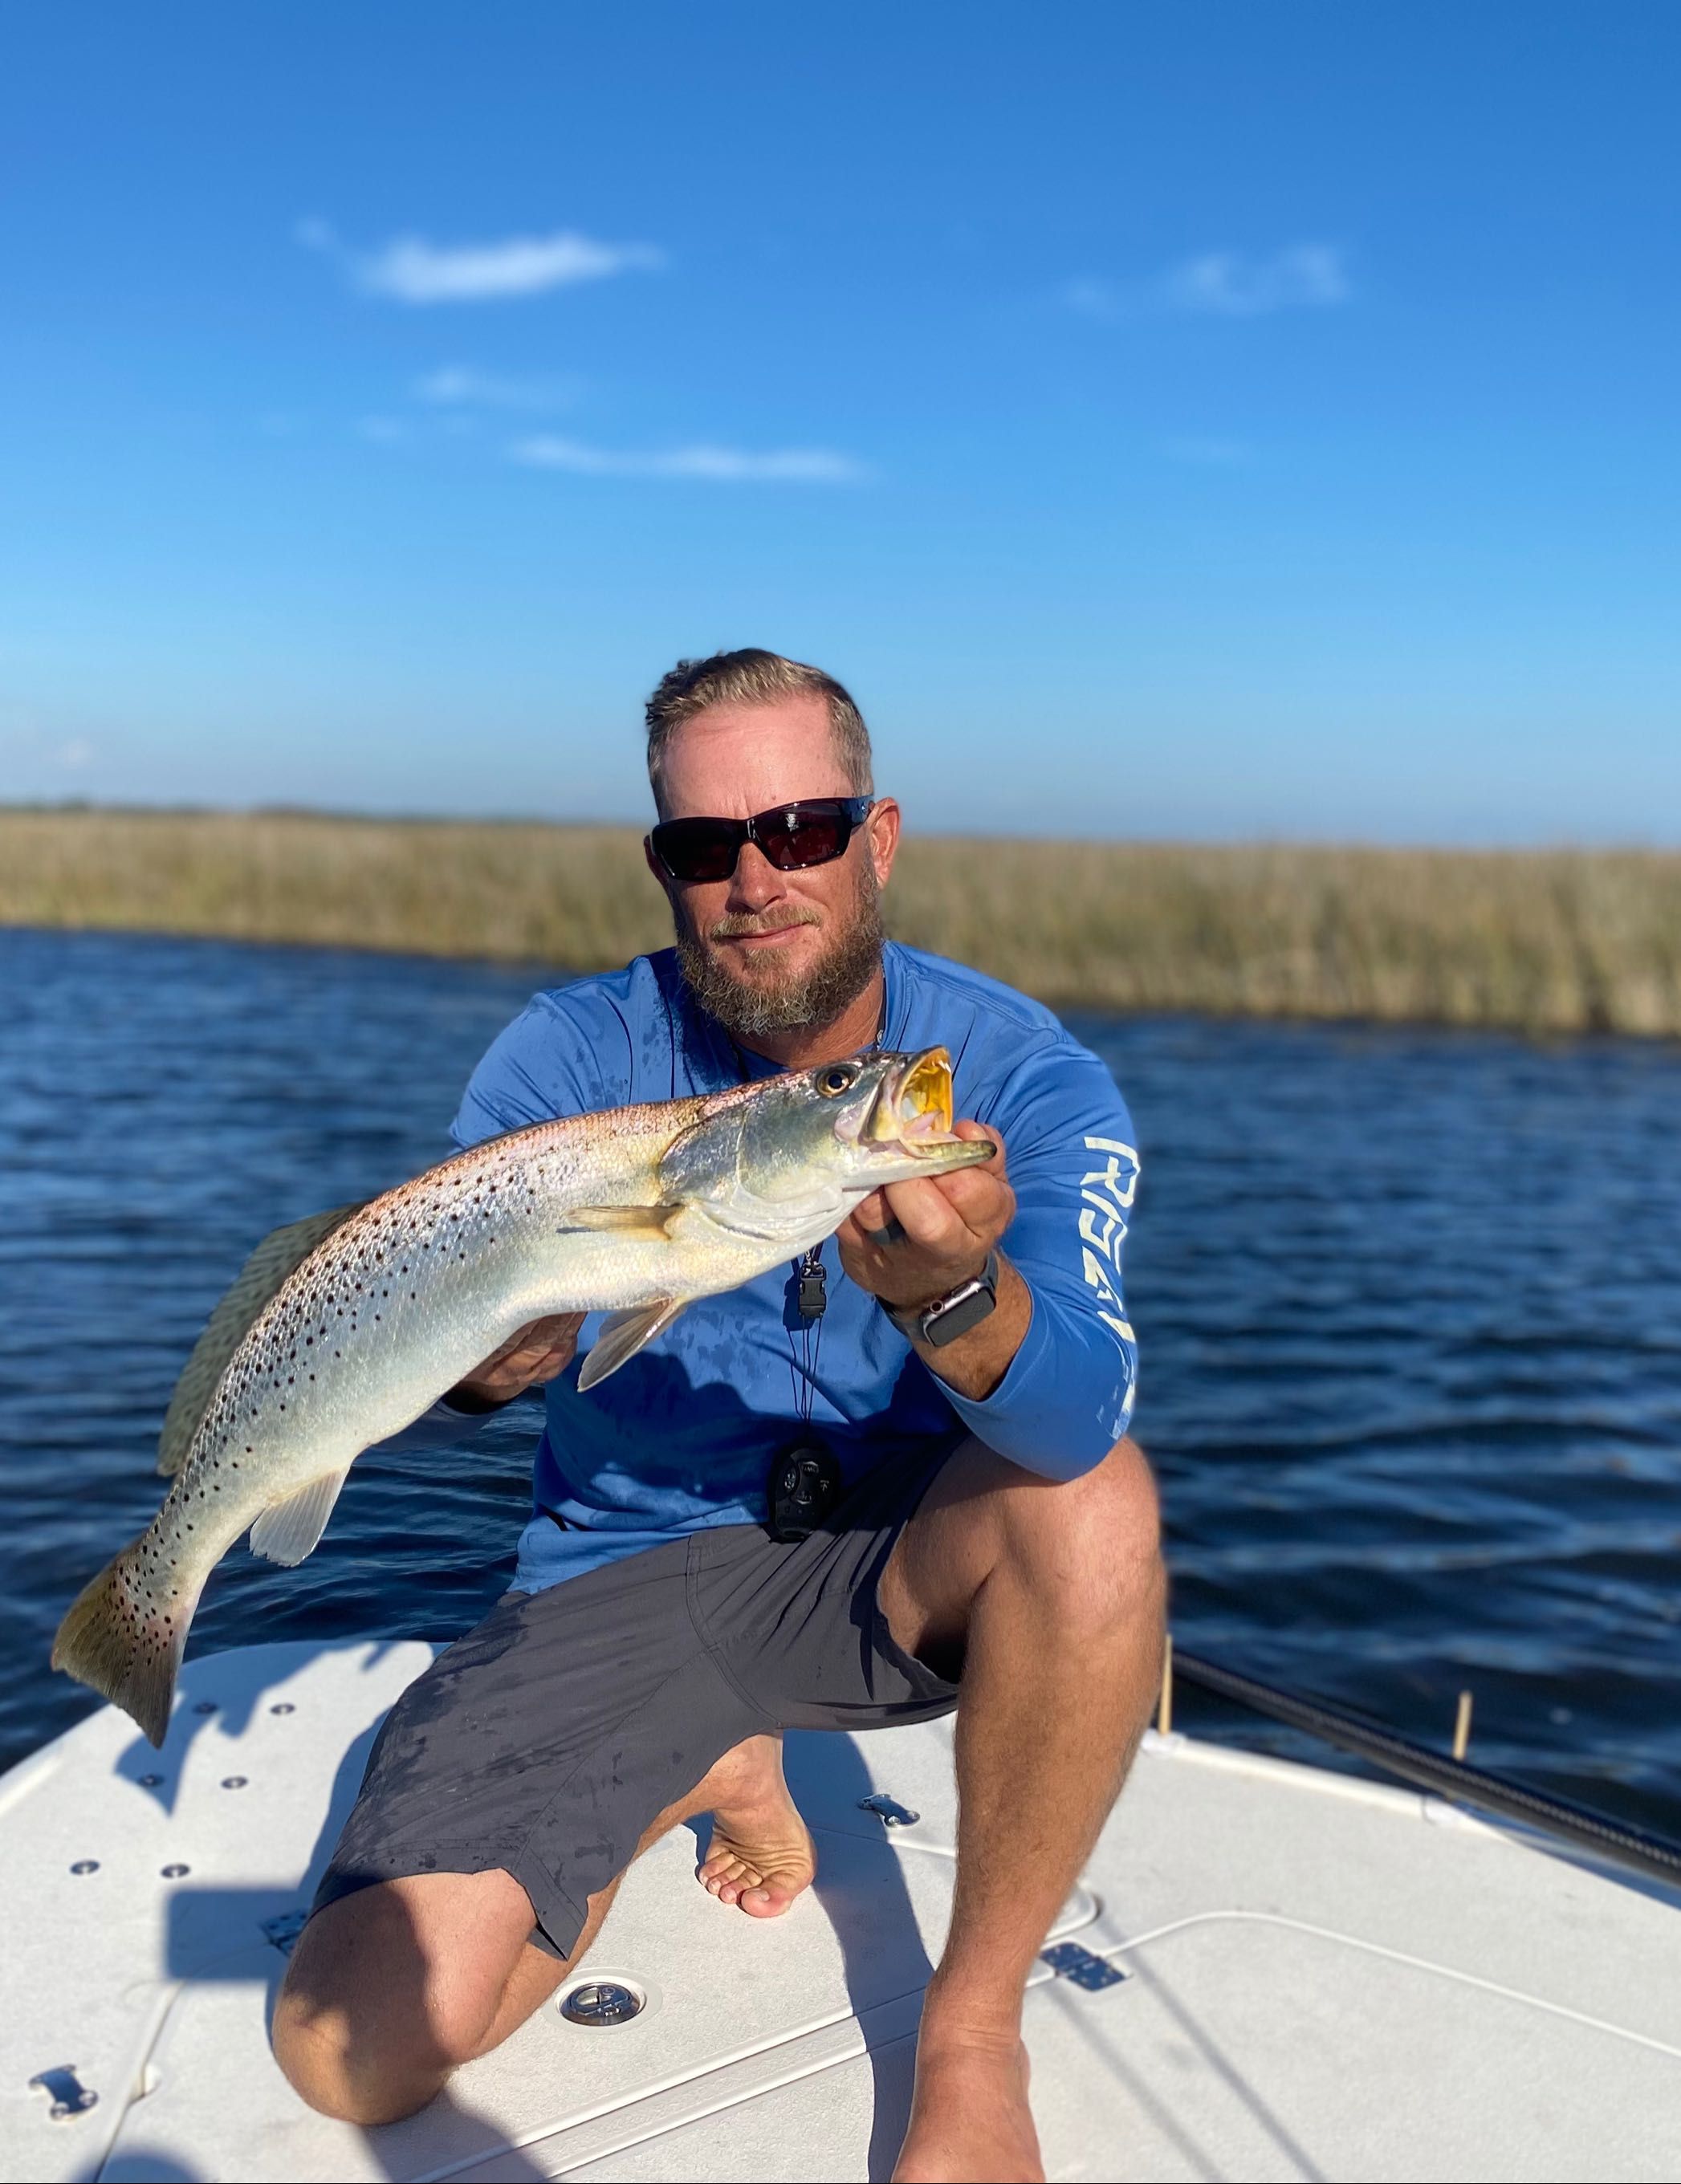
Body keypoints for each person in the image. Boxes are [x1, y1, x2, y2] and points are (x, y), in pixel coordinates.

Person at [271, 649, 1164, 2184]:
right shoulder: (563, 1063)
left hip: (886, 1563)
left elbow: (1078, 1415)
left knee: (1095, 1506)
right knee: (347, 2048)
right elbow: (458, 1353)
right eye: (706, 845)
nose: (756, 876)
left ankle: (969, 2034)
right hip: (614, 1576)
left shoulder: (1016, 1078)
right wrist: (501, 1346)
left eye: (802, 829)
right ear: (664, 869)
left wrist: (954, 1301)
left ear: (876, 840)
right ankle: (702, 1759)